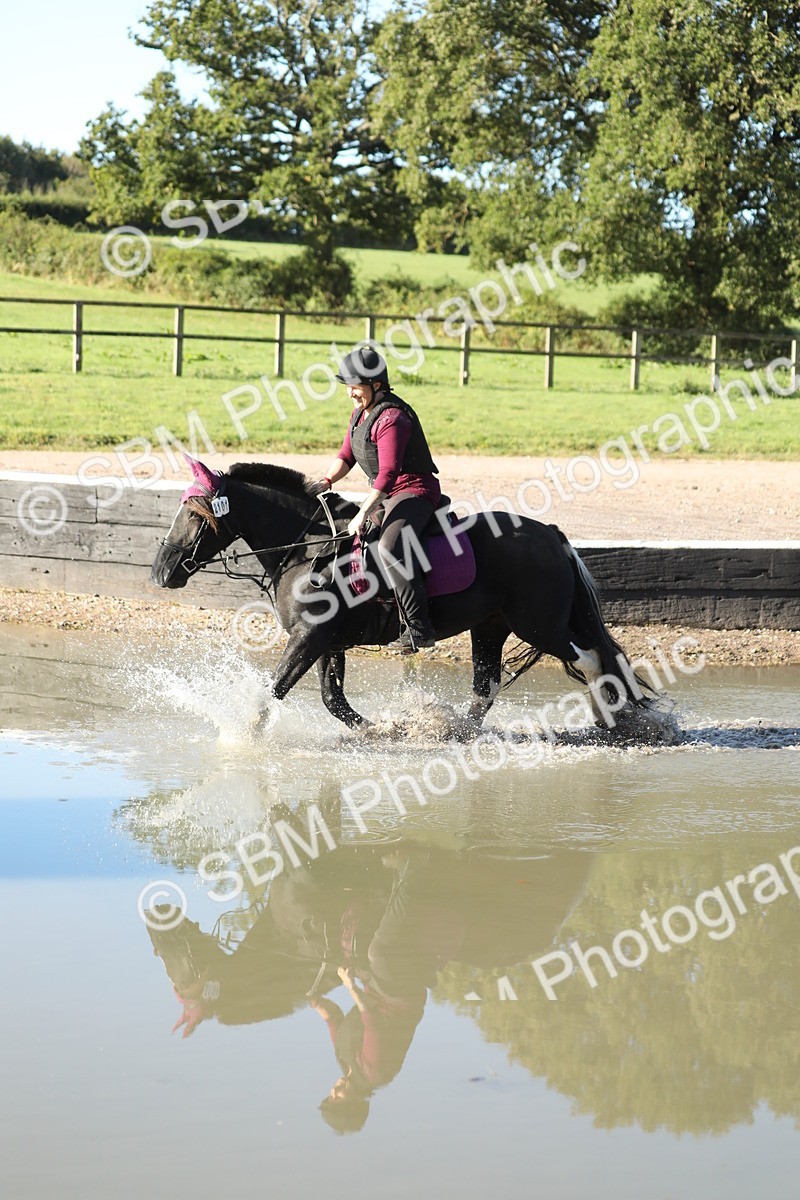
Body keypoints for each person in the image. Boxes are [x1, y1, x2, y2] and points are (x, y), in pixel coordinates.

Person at [311, 346, 441, 653]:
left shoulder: (393, 418)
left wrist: (363, 512)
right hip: (388, 493)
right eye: (348, 388)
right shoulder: (360, 414)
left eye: (356, 387)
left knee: (389, 546)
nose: (351, 394)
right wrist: (325, 481)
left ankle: (419, 629)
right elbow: (346, 456)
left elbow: (387, 473)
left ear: (377, 385)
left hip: (414, 490)